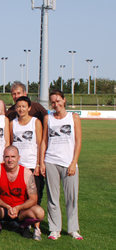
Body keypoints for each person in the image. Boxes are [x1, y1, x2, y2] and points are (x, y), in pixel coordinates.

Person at [40, 90, 83, 240]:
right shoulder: (48, 118)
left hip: (68, 163)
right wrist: (41, 163)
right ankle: (54, 229)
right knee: (53, 198)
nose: (56, 104)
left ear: (64, 100)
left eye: (58, 101)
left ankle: (73, 229)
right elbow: (44, 141)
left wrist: (74, 162)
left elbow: (78, 141)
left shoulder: (74, 117)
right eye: (53, 102)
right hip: (51, 161)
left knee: (71, 198)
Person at [0, 146, 45, 239]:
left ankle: (22, 227)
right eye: (7, 157)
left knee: (39, 212)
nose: (10, 160)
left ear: (19, 158)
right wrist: (6, 206)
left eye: (13, 157)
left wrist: (18, 208)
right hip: (2, 209)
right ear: (3, 158)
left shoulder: (27, 173)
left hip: (20, 211)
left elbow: (33, 199)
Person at [10, 96, 44, 240]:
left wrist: (38, 164)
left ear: (29, 108)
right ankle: (25, 224)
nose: (21, 109)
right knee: (21, 197)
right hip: (19, 168)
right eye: (18, 106)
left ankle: (37, 228)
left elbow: (40, 144)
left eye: (24, 106)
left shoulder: (35, 122)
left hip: (32, 166)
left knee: (35, 198)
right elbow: (10, 145)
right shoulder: (12, 123)